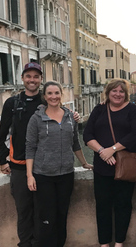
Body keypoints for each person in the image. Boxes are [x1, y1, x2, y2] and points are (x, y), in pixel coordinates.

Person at [0, 62, 80, 247]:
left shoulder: (46, 102)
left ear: (40, 80)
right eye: (28, 76)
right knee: (24, 210)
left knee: (43, 213)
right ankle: (25, 244)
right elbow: (2, 133)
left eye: (36, 77)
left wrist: (74, 116)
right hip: (19, 165)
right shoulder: (12, 103)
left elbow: (63, 118)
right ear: (23, 79)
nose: (32, 80)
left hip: (45, 169)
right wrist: (2, 160)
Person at [25, 81, 92, 247]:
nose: (53, 97)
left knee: (62, 215)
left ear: (61, 95)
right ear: (45, 96)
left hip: (66, 175)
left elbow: (75, 143)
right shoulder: (36, 119)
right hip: (43, 175)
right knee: (47, 217)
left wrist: (84, 163)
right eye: (50, 93)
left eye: (56, 93)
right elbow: (30, 147)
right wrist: (29, 175)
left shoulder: (71, 117)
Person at [83, 79, 136, 247]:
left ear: (126, 94)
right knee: (102, 207)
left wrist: (113, 149)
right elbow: (87, 135)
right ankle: (104, 243)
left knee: (123, 206)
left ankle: (119, 243)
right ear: (108, 93)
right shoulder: (99, 109)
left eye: (121, 91)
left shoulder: (132, 110)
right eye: (114, 91)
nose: (118, 94)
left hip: (125, 167)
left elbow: (135, 133)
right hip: (102, 167)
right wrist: (103, 151)